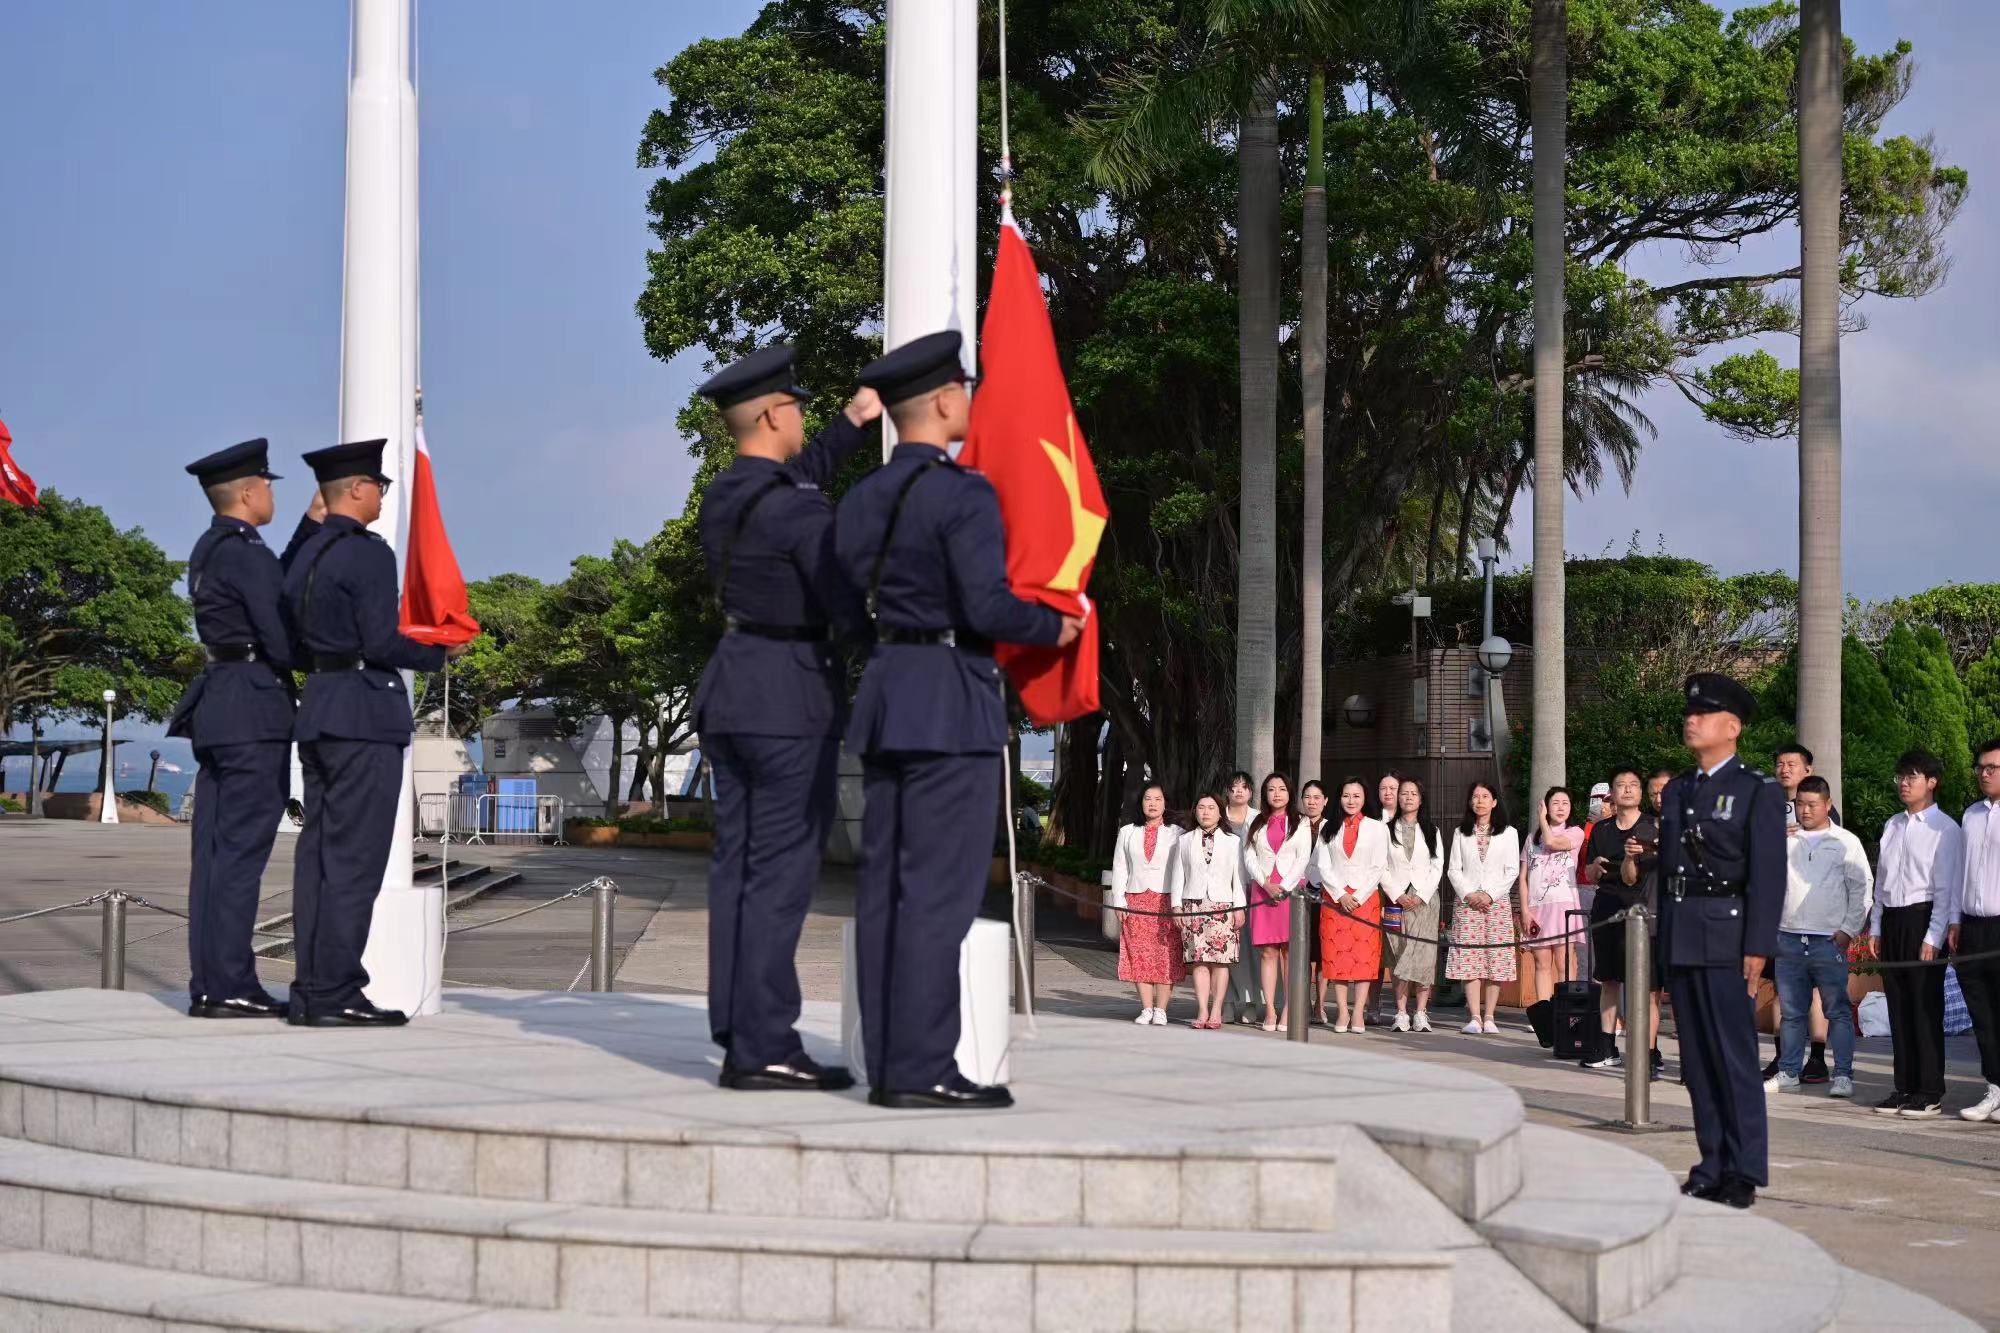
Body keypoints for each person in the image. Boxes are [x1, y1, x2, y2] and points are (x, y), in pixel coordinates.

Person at [833, 331, 1082, 1109]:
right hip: (950, 700)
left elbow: (839, 604)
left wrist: (885, 650)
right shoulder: (963, 493)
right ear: (943, 400)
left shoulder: (861, 498)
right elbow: (986, 606)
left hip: (887, 695)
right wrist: (1054, 626)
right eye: (963, 388)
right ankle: (921, 1068)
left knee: (885, 890)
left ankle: (889, 1061)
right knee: (940, 895)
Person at [692, 345, 881, 1092]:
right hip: (789, 700)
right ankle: (766, 1045)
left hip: (732, 689)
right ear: (773, 414)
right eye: (796, 405)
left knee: (737, 869)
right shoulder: (800, 508)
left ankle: (739, 1027)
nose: (803, 415)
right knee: (780, 875)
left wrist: (853, 422)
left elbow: (799, 477)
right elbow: (843, 603)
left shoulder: (725, 496)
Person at [282, 439, 471, 1027]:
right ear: (357, 489)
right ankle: (336, 990)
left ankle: (311, 988)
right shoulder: (367, 554)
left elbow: (289, 639)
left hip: (319, 706)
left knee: (317, 859)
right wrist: (440, 652)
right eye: (380, 486)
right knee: (354, 861)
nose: (383, 497)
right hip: (363, 714)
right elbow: (381, 640)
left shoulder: (304, 555)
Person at [168, 439, 319, 1021]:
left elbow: (269, 591)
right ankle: (231, 983)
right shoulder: (247, 553)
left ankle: (212, 983)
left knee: (213, 855)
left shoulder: (213, 546)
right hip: (254, 711)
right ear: (251, 492)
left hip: (219, 706)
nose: (272, 495)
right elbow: (281, 635)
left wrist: (307, 529)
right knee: (240, 855)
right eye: (269, 485)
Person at [1659, 672, 1784, 1209]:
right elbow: (1668, 876)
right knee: (1697, 1061)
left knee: (1734, 1058)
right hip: (1684, 934)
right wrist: (1664, 948)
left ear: (1732, 728)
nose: (1692, 721)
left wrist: (1757, 946)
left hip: (1729, 937)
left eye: (1703, 715)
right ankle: (1711, 1162)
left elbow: (1768, 875)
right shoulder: (1679, 790)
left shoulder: (1757, 789)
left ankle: (1744, 1170)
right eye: (1690, 714)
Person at [1865, 749, 1965, 1119]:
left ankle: (1929, 1090)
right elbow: (1882, 882)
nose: (1904, 783)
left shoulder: (1946, 829)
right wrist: (1876, 926)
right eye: (1901, 777)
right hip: (1893, 920)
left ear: (1932, 782)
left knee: (1924, 1009)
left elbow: (1945, 888)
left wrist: (1933, 936)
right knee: (1899, 1008)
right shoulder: (1892, 825)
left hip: (1924, 920)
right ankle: (1904, 1087)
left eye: (1912, 776)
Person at [1765, 776, 1871, 1100]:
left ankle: (1843, 1074)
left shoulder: (1846, 842)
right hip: (1788, 938)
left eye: (1812, 804)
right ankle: (1789, 1071)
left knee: (1837, 1010)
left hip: (1828, 940)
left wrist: (1848, 931)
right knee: (1792, 1011)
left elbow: (1862, 888)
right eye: (1800, 804)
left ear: (1828, 805)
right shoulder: (1786, 839)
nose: (1805, 810)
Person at [1581, 767, 1663, 1078]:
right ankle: (1607, 1045)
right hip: (1607, 907)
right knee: (1608, 979)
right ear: (1612, 794)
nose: (1627, 789)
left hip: (1643, 911)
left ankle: (1649, 1051)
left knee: (1647, 986)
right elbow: (1590, 874)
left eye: (1633, 785)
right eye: (1620, 785)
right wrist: (1595, 868)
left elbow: (1639, 876)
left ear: (1641, 792)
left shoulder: (1652, 826)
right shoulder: (1601, 830)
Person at [1769, 742, 1841, 1083]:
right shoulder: (1767, 806)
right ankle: (1782, 1057)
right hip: (1777, 911)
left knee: (1813, 989)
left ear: (1808, 769)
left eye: (1792, 764)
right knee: (1780, 987)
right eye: (1780, 764)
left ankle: (1817, 1058)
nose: (1785, 769)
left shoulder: (1824, 810)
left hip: (1814, 914)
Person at [1315, 777, 1390, 1033]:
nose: (1351, 800)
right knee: (1337, 957)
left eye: (1356, 795)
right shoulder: (1328, 827)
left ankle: (1358, 1012)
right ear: (1339, 798)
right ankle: (1342, 1012)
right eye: (1346, 795)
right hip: (1334, 901)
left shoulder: (1377, 828)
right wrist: (1340, 895)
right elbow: (1323, 865)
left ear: (1365, 798)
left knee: (1363, 958)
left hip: (1364, 901)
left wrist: (1357, 895)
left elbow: (1379, 866)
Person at [1447, 781, 1520, 1034]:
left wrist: (1489, 895)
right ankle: (1474, 1017)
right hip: (1467, 904)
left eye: (1485, 796)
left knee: (1495, 959)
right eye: (1475, 797)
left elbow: (1512, 870)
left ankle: (1490, 1016)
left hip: (1495, 904)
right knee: (1470, 958)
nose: (1480, 801)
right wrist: (1470, 894)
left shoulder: (1508, 833)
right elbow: (1454, 869)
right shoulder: (1461, 832)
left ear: (1494, 802)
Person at [1952, 739, 2000, 1122]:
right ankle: (1994, 1087)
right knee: (1982, 1016)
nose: (1984, 774)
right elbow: (1959, 873)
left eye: (1992, 768)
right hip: (1972, 927)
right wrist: (1954, 920)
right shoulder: (1970, 815)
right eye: (1981, 767)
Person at [1243, 772, 1313, 1031]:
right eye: (1271, 789)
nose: (1277, 794)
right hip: (1263, 891)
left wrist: (1284, 886)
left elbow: (1303, 857)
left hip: (1290, 891)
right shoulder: (1255, 822)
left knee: (1289, 952)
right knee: (1268, 952)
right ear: (1265, 794)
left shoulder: (1301, 822)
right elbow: (1249, 857)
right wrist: (1266, 883)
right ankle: (1270, 1009)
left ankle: (1288, 1009)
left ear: (1289, 793)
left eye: (1282, 789)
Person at [1169, 793, 1245, 1030]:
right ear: (1195, 811)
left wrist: (1239, 908)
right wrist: (1176, 905)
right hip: (1193, 905)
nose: (1206, 812)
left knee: (1220, 962)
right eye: (1201, 807)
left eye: (1211, 808)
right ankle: (1202, 1009)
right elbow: (1178, 874)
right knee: (1199, 961)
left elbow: (1238, 878)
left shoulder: (1233, 841)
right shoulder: (1184, 840)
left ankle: (1216, 1010)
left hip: (1223, 906)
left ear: (1220, 813)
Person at [1111, 783, 1184, 1025]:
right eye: (1148, 798)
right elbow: (1120, 867)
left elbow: (1182, 870)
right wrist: (1119, 900)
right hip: (1136, 899)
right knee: (1139, 953)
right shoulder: (1127, 832)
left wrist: (1179, 903)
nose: (1152, 803)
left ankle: (1161, 1009)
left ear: (1166, 803)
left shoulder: (1178, 833)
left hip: (1166, 900)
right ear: (1140, 802)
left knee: (1165, 954)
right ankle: (1146, 1008)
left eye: (1158, 799)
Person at [1384, 777, 1445, 1032]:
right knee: (1398, 953)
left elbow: (1437, 865)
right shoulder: (1386, 829)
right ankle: (1401, 1013)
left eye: (1413, 793)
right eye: (1404, 793)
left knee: (1424, 955)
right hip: (1396, 900)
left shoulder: (1431, 830)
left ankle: (1420, 1012)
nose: (1408, 797)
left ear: (1421, 799)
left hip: (1425, 901)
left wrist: (1421, 895)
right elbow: (1381, 866)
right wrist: (1397, 894)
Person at [1519, 787, 1585, 1018]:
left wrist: (1541, 819)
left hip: (1564, 906)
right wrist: (1524, 910)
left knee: (1564, 963)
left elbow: (1552, 842)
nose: (1560, 807)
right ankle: (1544, 1015)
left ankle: (1568, 1012)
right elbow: (1523, 878)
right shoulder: (1531, 839)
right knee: (1541, 962)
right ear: (1546, 806)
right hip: (1537, 908)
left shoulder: (1575, 832)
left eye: (1565, 803)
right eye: (1555, 803)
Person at [1221, 769, 1262, 1025]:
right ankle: (1225, 1002)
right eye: (1234, 787)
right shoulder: (1217, 816)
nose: (1238, 791)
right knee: (1222, 952)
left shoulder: (1259, 819)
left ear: (1250, 792)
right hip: (1221, 892)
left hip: (1250, 889)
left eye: (1244, 787)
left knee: (1249, 952)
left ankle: (1250, 1002)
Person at [1298, 780, 1333, 1023]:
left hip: (1325, 895)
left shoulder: (1332, 827)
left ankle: (1320, 1004)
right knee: (1301, 951)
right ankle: (1303, 1003)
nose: (1312, 802)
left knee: (1322, 953)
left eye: (1317, 797)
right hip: (1298, 896)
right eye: (1307, 797)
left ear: (1325, 800)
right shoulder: (1295, 826)